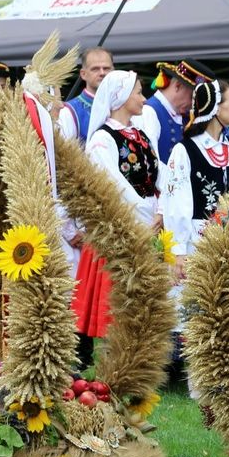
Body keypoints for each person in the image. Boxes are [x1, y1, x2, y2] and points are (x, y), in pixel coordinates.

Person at [71, 70, 159, 364]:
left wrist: (162, 209)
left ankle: (129, 364)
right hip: (117, 230)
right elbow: (114, 186)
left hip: (145, 225)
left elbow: (159, 174)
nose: (143, 97)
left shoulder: (140, 134)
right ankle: (96, 366)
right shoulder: (101, 140)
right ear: (121, 97)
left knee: (133, 301)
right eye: (138, 92)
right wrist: (147, 214)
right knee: (110, 302)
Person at [161, 79, 229, 275]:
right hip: (196, 244)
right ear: (215, 108)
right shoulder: (185, 150)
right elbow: (176, 202)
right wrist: (178, 251)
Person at [141, 59, 215, 165]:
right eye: (192, 97)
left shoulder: (186, 117)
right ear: (178, 86)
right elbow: (152, 163)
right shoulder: (149, 112)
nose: (193, 105)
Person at [57, 47, 114, 141]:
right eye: (95, 69)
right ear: (83, 74)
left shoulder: (124, 105)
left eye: (106, 68)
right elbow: (65, 152)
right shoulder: (69, 111)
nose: (102, 73)